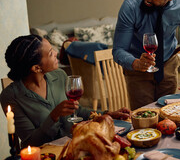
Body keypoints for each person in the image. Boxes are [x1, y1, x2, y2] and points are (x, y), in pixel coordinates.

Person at [0, 35, 131, 148]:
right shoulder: (11, 96)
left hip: (74, 146)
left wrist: (108, 114)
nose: (56, 52)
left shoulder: (59, 76)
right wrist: (53, 116)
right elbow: (30, 142)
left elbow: (77, 110)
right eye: (51, 53)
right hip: (45, 157)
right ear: (36, 68)